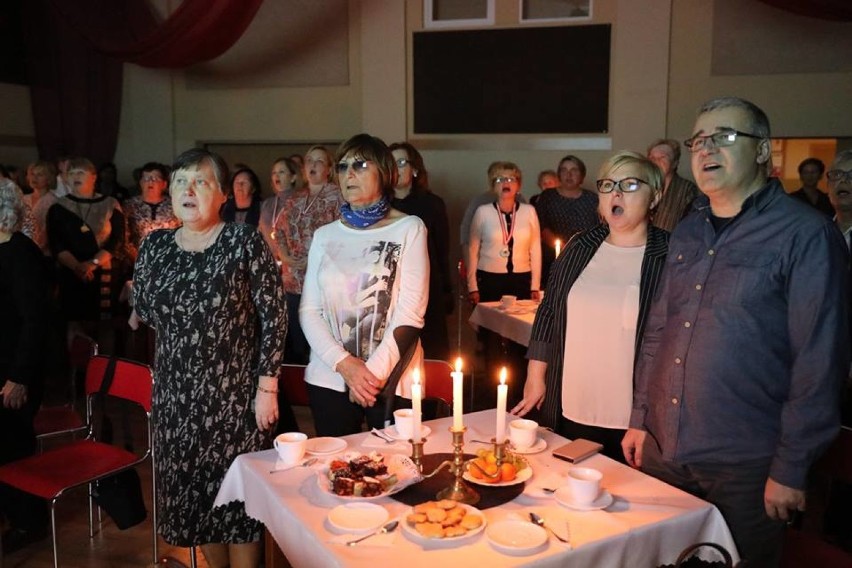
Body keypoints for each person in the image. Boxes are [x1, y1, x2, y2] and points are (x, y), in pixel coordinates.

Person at [622, 96, 849, 566]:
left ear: (763, 150)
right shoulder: (688, 231)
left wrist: (790, 467)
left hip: (745, 463)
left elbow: (819, 359)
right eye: (699, 140)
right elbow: (659, 330)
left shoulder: (805, 235)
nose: (707, 150)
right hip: (667, 449)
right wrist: (640, 417)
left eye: (725, 137)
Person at [130, 148, 286, 568]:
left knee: (237, 506)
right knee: (198, 504)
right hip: (176, 399)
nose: (188, 189)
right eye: (180, 180)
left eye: (200, 181)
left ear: (222, 195)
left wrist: (267, 386)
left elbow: (275, 317)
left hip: (234, 398)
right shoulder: (156, 245)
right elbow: (144, 307)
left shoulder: (241, 240)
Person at [512, 152, 668, 462]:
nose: (616, 193)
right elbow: (549, 311)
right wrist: (535, 376)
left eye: (630, 184)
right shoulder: (580, 245)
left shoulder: (670, 254)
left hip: (633, 417)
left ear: (655, 197)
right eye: (608, 184)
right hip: (572, 400)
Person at [300, 134, 428, 437]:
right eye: (343, 168)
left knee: (397, 471)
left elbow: (411, 314)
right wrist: (345, 365)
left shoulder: (409, 228)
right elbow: (309, 310)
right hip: (329, 375)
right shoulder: (325, 235)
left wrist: (368, 377)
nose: (349, 174)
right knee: (336, 473)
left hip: (390, 378)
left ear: (383, 173)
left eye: (359, 164)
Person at [0, 180, 51, 553]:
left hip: (15, 370)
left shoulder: (19, 253)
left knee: (12, 447)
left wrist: (18, 377)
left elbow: (35, 320)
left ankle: (28, 522)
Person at [47, 157, 126, 349]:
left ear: (93, 177)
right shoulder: (58, 207)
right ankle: (76, 372)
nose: (75, 176)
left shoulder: (110, 204)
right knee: (74, 321)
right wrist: (77, 266)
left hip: (103, 270)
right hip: (71, 271)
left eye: (80, 172)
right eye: (72, 173)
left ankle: (105, 368)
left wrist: (92, 264)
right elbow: (56, 243)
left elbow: (117, 240)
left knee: (105, 323)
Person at [278, 146, 343, 364]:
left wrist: (314, 259)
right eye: (309, 161)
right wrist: (285, 255)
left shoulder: (337, 197)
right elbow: (278, 230)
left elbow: (343, 236)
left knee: (320, 343)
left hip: (323, 282)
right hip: (293, 280)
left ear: (329, 169)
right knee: (296, 341)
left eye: (319, 161)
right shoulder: (296, 198)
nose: (313, 165)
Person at [389, 141, 453, 360]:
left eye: (401, 162)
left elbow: (442, 250)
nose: (396, 169)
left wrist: (446, 291)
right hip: (391, 288)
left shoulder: (432, 204)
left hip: (428, 286)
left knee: (431, 347)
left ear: (414, 169)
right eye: (391, 164)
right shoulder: (380, 206)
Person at [467, 161, 542, 306]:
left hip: (521, 279)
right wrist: (472, 287)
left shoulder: (529, 211)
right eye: (499, 179)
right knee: (490, 325)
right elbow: (472, 251)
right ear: (493, 186)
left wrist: (535, 285)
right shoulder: (483, 212)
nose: (505, 183)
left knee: (520, 323)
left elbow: (535, 249)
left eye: (510, 179)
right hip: (490, 279)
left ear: (518, 185)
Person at [534, 155, 599, 288]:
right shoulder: (548, 197)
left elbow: (599, 229)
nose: (569, 175)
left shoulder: (592, 199)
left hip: (585, 260)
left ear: (582, 176)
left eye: (574, 170)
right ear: (558, 175)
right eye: (564, 170)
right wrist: (563, 248)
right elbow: (541, 226)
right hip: (554, 259)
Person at [123, 162, 180, 261]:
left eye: (155, 179)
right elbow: (124, 238)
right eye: (146, 178)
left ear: (164, 184)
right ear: (140, 183)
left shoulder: (174, 206)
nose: (150, 182)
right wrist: (139, 259)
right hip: (137, 261)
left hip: (169, 261)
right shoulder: (129, 206)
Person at [259, 156, 303, 262]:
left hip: (292, 262)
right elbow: (260, 233)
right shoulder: (267, 204)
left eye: (281, 172)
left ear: (293, 177)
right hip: (269, 262)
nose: (277, 175)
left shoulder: (301, 203)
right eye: (274, 172)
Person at [23, 160, 58, 256]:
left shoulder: (53, 201)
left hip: (43, 253)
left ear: (49, 178)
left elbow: (48, 231)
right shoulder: (23, 199)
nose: (34, 178)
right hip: (22, 249)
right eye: (32, 174)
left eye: (40, 174)